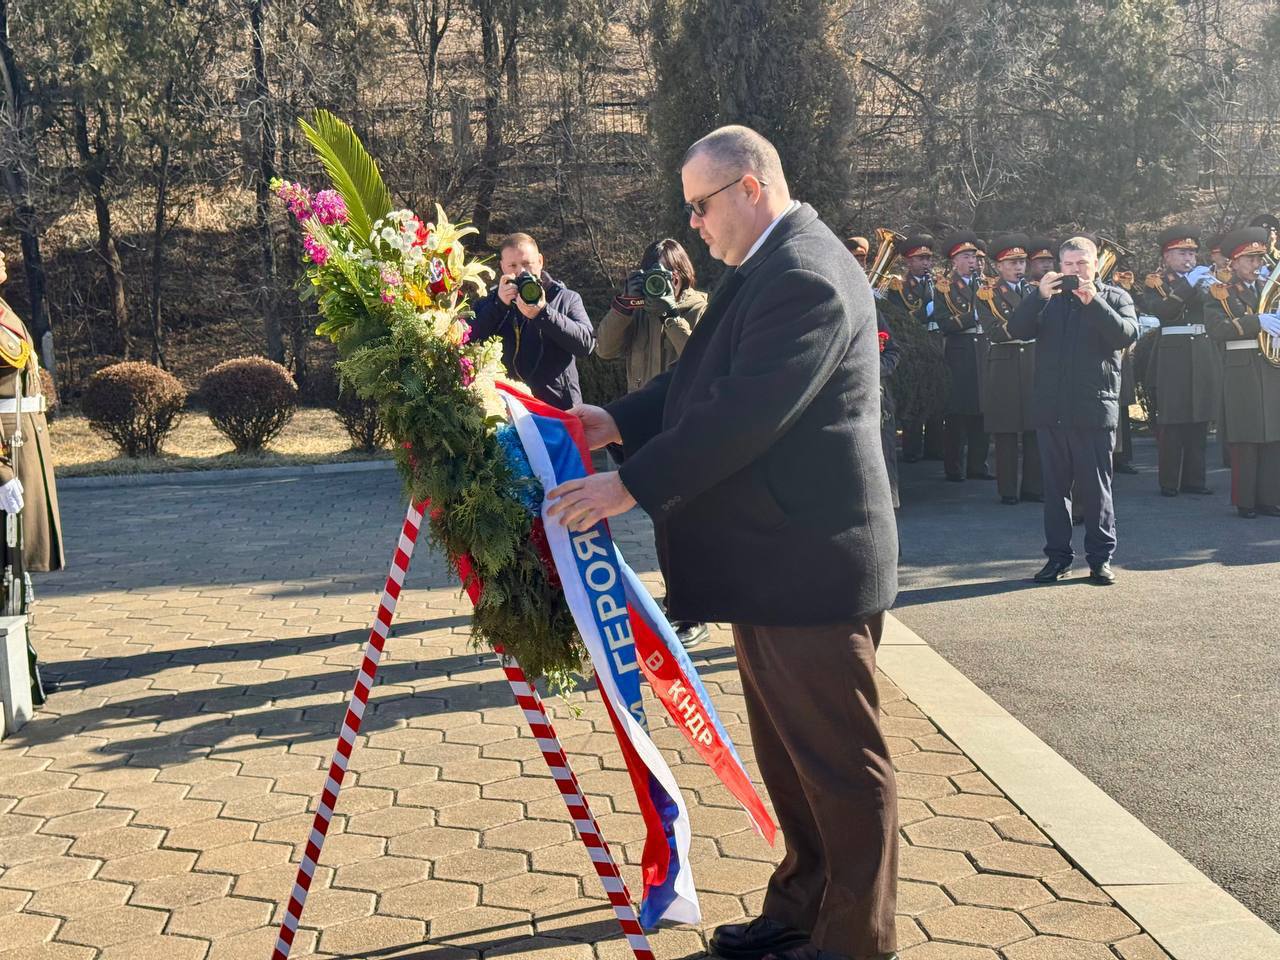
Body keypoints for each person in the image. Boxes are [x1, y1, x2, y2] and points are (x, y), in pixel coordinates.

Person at [545, 125, 899, 960]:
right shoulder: (771, 266)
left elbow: (745, 413)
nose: (695, 226)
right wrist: (615, 420)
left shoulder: (806, 273)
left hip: (809, 561)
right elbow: (701, 378)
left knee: (840, 767)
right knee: (794, 763)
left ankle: (854, 942)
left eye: (701, 206)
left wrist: (629, 485)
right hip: (774, 559)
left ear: (750, 186)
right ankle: (801, 909)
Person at [596, 238, 710, 649]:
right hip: (644, 426)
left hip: (684, 426)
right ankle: (680, 603)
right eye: (651, 276)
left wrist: (670, 314)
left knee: (682, 521)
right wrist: (624, 306)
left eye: (667, 275)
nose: (660, 283)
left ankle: (693, 611)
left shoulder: (699, 307)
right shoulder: (639, 309)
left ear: (683, 275)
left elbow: (701, 362)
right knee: (664, 522)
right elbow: (604, 348)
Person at [1009, 236, 1138, 585]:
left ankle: (1100, 559)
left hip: (1094, 408)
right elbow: (1016, 330)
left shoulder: (1115, 297)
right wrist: (1037, 296)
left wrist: (1094, 302)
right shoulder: (1047, 300)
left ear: (1095, 265)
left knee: (1096, 490)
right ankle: (1057, 558)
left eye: (1082, 263)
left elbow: (1126, 335)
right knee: (1055, 491)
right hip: (1051, 409)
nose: (1076, 270)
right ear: (1059, 266)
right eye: (1069, 264)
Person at [0, 248, 64, 704]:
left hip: (25, 442)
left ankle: (24, 670)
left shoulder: (4, 311)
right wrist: (1, 471)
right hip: (8, 448)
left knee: (16, 568)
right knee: (4, 567)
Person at [1134, 226, 1219, 497]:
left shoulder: (1205, 280)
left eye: (1192, 253)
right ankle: (1169, 481)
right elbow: (1164, 311)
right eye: (1182, 253)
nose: (1188, 259)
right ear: (1166, 256)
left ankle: (1195, 480)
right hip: (1172, 354)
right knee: (1172, 419)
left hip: (1202, 350)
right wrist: (1189, 284)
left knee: (1199, 417)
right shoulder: (1157, 283)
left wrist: (1214, 288)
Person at [468, 233, 595, 410]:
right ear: (502, 267)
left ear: (540, 261)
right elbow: (468, 340)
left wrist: (544, 313)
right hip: (506, 409)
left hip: (558, 409)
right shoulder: (489, 302)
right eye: (513, 266)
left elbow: (586, 344)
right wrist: (498, 305)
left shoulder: (566, 298)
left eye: (527, 263)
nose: (521, 272)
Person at [1204, 227, 1280, 519]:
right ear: (1234, 262)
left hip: (1270, 368)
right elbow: (1217, 329)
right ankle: (1245, 501)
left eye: (1259, 258)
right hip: (1241, 370)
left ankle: (1270, 499)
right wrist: (1255, 322)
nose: (1256, 265)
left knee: (1273, 435)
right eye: (1250, 259)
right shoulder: (1220, 292)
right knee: (1246, 438)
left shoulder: (1268, 288)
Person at [978, 234, 1041, 504]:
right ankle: (1008, 489)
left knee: (1034, 427)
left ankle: (1034, 487)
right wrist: (1025, 325)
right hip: (1004, 361)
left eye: (1022, 262)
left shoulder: (1035, 291)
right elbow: (994, 330)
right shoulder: (987, 293)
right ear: (999, 266)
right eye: (1012, 263)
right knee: (1006, 429)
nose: (1018, 267)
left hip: (1033, 360)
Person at [933, 231, 991, 481]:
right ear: (955, 260)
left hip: (983, 348)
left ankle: (978, 466)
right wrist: (973, 317)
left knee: (983, 408)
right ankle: (954, 467)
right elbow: (944, 322)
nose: (972, 261)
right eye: (966, 257)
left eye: (974, 257)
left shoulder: (986, 284)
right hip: (960, 351)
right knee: (957, 411)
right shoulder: (944, 287)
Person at [885, 234, 943, 464]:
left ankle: (935, 447)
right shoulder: (898, 286)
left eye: (928, 258)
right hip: (915, 347)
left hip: (936, 343)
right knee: (916, 397)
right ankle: (912, 449)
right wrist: (924, 312)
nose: (926, 263)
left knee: (936, 394)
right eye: (921, 259)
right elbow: (899, 319)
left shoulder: (937, 285)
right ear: (909, 261)